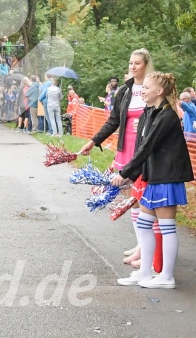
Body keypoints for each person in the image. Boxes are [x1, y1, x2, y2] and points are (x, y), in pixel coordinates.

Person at [112, 72, 193, 289]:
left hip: (167, 177)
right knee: (144, 223)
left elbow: (148, 147)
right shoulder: (150, 112)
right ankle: (145, 272)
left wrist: (125, 173)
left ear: (159, 91)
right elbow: (141, 148)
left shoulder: (167, 116)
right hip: (153, 177)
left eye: (146, 87)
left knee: (167, 228)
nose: (143, 90)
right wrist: (133, 175)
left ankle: (166, 277)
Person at [79, 48, 154, 267]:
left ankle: (145, 248)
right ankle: (140, 243)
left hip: (145, 148)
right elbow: (114, 121)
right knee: (131, 197)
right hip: (126, 146)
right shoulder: (125, 90)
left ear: (146, 65)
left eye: (137, 63)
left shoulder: (152, 87)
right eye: (130, 63)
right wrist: (93, 141)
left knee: (143, 197)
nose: (132, 67)